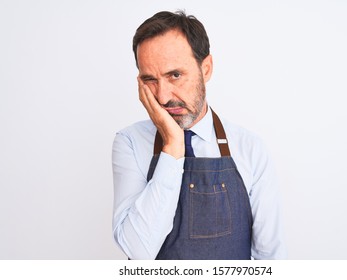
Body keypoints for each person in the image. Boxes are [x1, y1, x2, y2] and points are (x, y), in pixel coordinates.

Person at [112, 10, 286, 260]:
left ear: (206, 69)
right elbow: (138, 253)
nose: (163, 97)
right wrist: (172, 145)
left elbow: (271, 259)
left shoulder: (250, 149)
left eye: (175, 75)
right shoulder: (129, 143)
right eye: (150, 79)